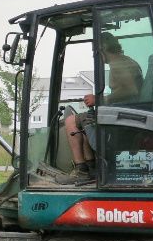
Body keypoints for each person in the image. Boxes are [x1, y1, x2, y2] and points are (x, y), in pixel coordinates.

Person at [60, 32, 143, 183]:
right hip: (125, 112)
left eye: (96, 51)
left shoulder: (118, 64)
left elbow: (132, 91)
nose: (96, 55)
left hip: (123, 116)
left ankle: (81, 169)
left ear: (103, 47)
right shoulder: (126, 61)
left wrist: (99, 99)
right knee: (84, 123)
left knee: (71, 121)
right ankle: (92, 167)